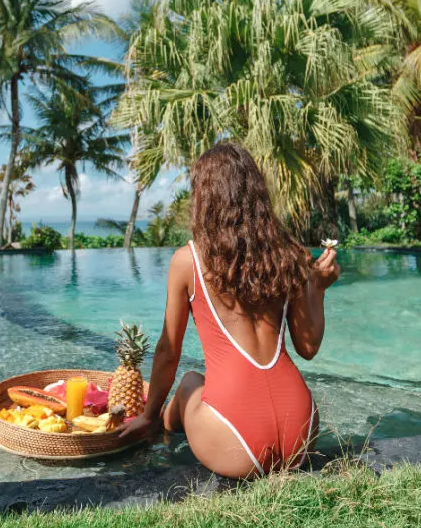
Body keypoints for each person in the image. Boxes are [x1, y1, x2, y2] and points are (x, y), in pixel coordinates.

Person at [119, 142, 341, 478]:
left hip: (233, 441)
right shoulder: (289, 252)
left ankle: (158, 437)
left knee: (192, 381)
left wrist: (149, 414)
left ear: (204, 197)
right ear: (257, 193)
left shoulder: (188, 261)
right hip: (300, 432)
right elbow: (307, 349)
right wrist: (318, 289)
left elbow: (168, 352)